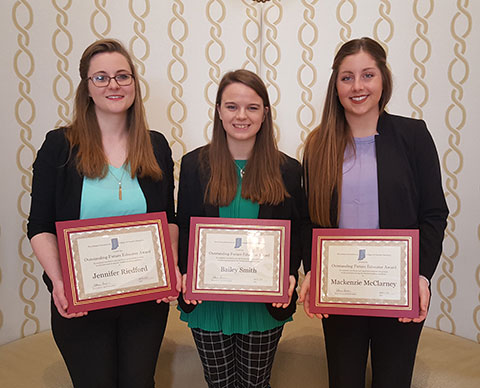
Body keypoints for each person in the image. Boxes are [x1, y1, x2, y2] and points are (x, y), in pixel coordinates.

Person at [27, 38, 180, 388]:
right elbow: (39, 226)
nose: (113, 84)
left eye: (123, 76)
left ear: (134, 85)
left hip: (144, 301)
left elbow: (168, 220)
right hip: (82, 301)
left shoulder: (155, 145)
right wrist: (60, 283)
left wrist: (170, 267)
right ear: (87, 87)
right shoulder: (60, 146)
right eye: (101, 77)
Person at [299, 37, 448, 387]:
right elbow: (308, 219)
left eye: (367, 75)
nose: (357, 86)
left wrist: (422, 276)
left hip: (398, 290)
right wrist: (312, 271)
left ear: (383, 80)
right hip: (340, 291)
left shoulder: (414, 136)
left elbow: (433, 214)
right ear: (335, 85)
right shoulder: (319, 144)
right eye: (347, 77)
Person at [176, 69, 305, 388]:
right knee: (218, 384)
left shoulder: (288, 170)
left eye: (252, 107)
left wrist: (289, 274)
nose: (241, 116)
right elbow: (184, 227)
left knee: (256, 384)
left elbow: (299, 229)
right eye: (232, 106)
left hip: (263, 304)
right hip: (208, 304)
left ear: (265, 114)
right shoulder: (194, 165)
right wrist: (183, 273)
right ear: (218, 111)